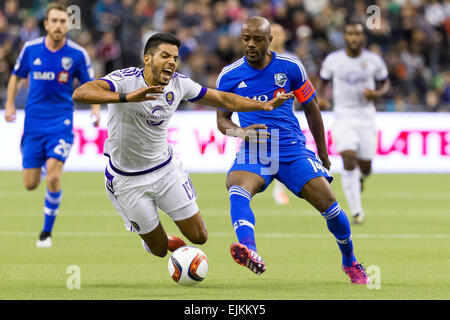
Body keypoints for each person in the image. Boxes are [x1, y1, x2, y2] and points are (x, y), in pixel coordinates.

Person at [72, 32, 294, 259]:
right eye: (165, 56)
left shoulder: (180, 84)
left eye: (175, 58)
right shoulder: (124, 80)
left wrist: (263, 105)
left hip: (166, 171)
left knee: (200, 236)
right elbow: (81, 92)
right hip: (126, 179)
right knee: (159, 250)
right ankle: (157, 238)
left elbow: (223, 99)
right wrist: (126, 97)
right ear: (147, 59)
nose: (171, 62)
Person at [216, 16, 370, 284]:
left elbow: (312, 108)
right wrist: (242, 132)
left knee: (331, 208)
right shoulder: (229, 76)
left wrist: (322, 151)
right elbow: (221, 122)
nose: (250, 44)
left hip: (291, 149)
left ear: (269, 40)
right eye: (246, 38)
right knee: (236, 187)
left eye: (257, 39)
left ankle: (350, 261)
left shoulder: (290, 67)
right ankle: (249, 249)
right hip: (255, 150)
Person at [4, 3, 101, 248]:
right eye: (54, 21)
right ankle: (47, 166)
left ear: (68, 24)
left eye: (62, 21)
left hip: (61, 122)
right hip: (34, 124)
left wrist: (95, 109)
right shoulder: (31, 49)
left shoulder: (77, 54)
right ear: (46, 24)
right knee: (29, 184)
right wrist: (11, 104)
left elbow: (91, 84)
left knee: (54, 177)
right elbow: (16, 76)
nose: (58, 25)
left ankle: (46, 234)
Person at [318, 21, 390, 225]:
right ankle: (357, 211)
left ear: (363, 38)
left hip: (366, 116)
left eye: (358, 34)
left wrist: (377, 93)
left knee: (366, 166)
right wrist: (321, 99)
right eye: (350, 33)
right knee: (348, 157)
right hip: (343, 115)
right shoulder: (333, 60)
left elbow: (385, 81)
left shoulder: (373, 60)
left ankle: (361, 179)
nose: (354, 37)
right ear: (345, 37)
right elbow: (322, 82)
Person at [268, 23, 298, 205]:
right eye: (274, 33)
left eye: (280, 33)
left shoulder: (292, 60)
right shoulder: (259, 60)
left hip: (286, 114)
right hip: (262, 113)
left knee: (284, 150)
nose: (277, 36)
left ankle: (280, 190)